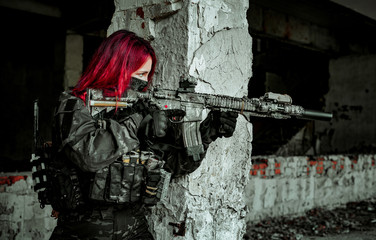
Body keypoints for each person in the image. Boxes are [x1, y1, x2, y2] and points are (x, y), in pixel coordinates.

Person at [48, 29, 238, 240]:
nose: (145, 82)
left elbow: (173, 165)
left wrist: (206, 134)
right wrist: (135, 119)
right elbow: (89, 156)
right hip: (81, 230)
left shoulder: (142, 111)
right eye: (139, 75)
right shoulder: (75, 104)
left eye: (147, 75)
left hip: (135, 226)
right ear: (115, 67)